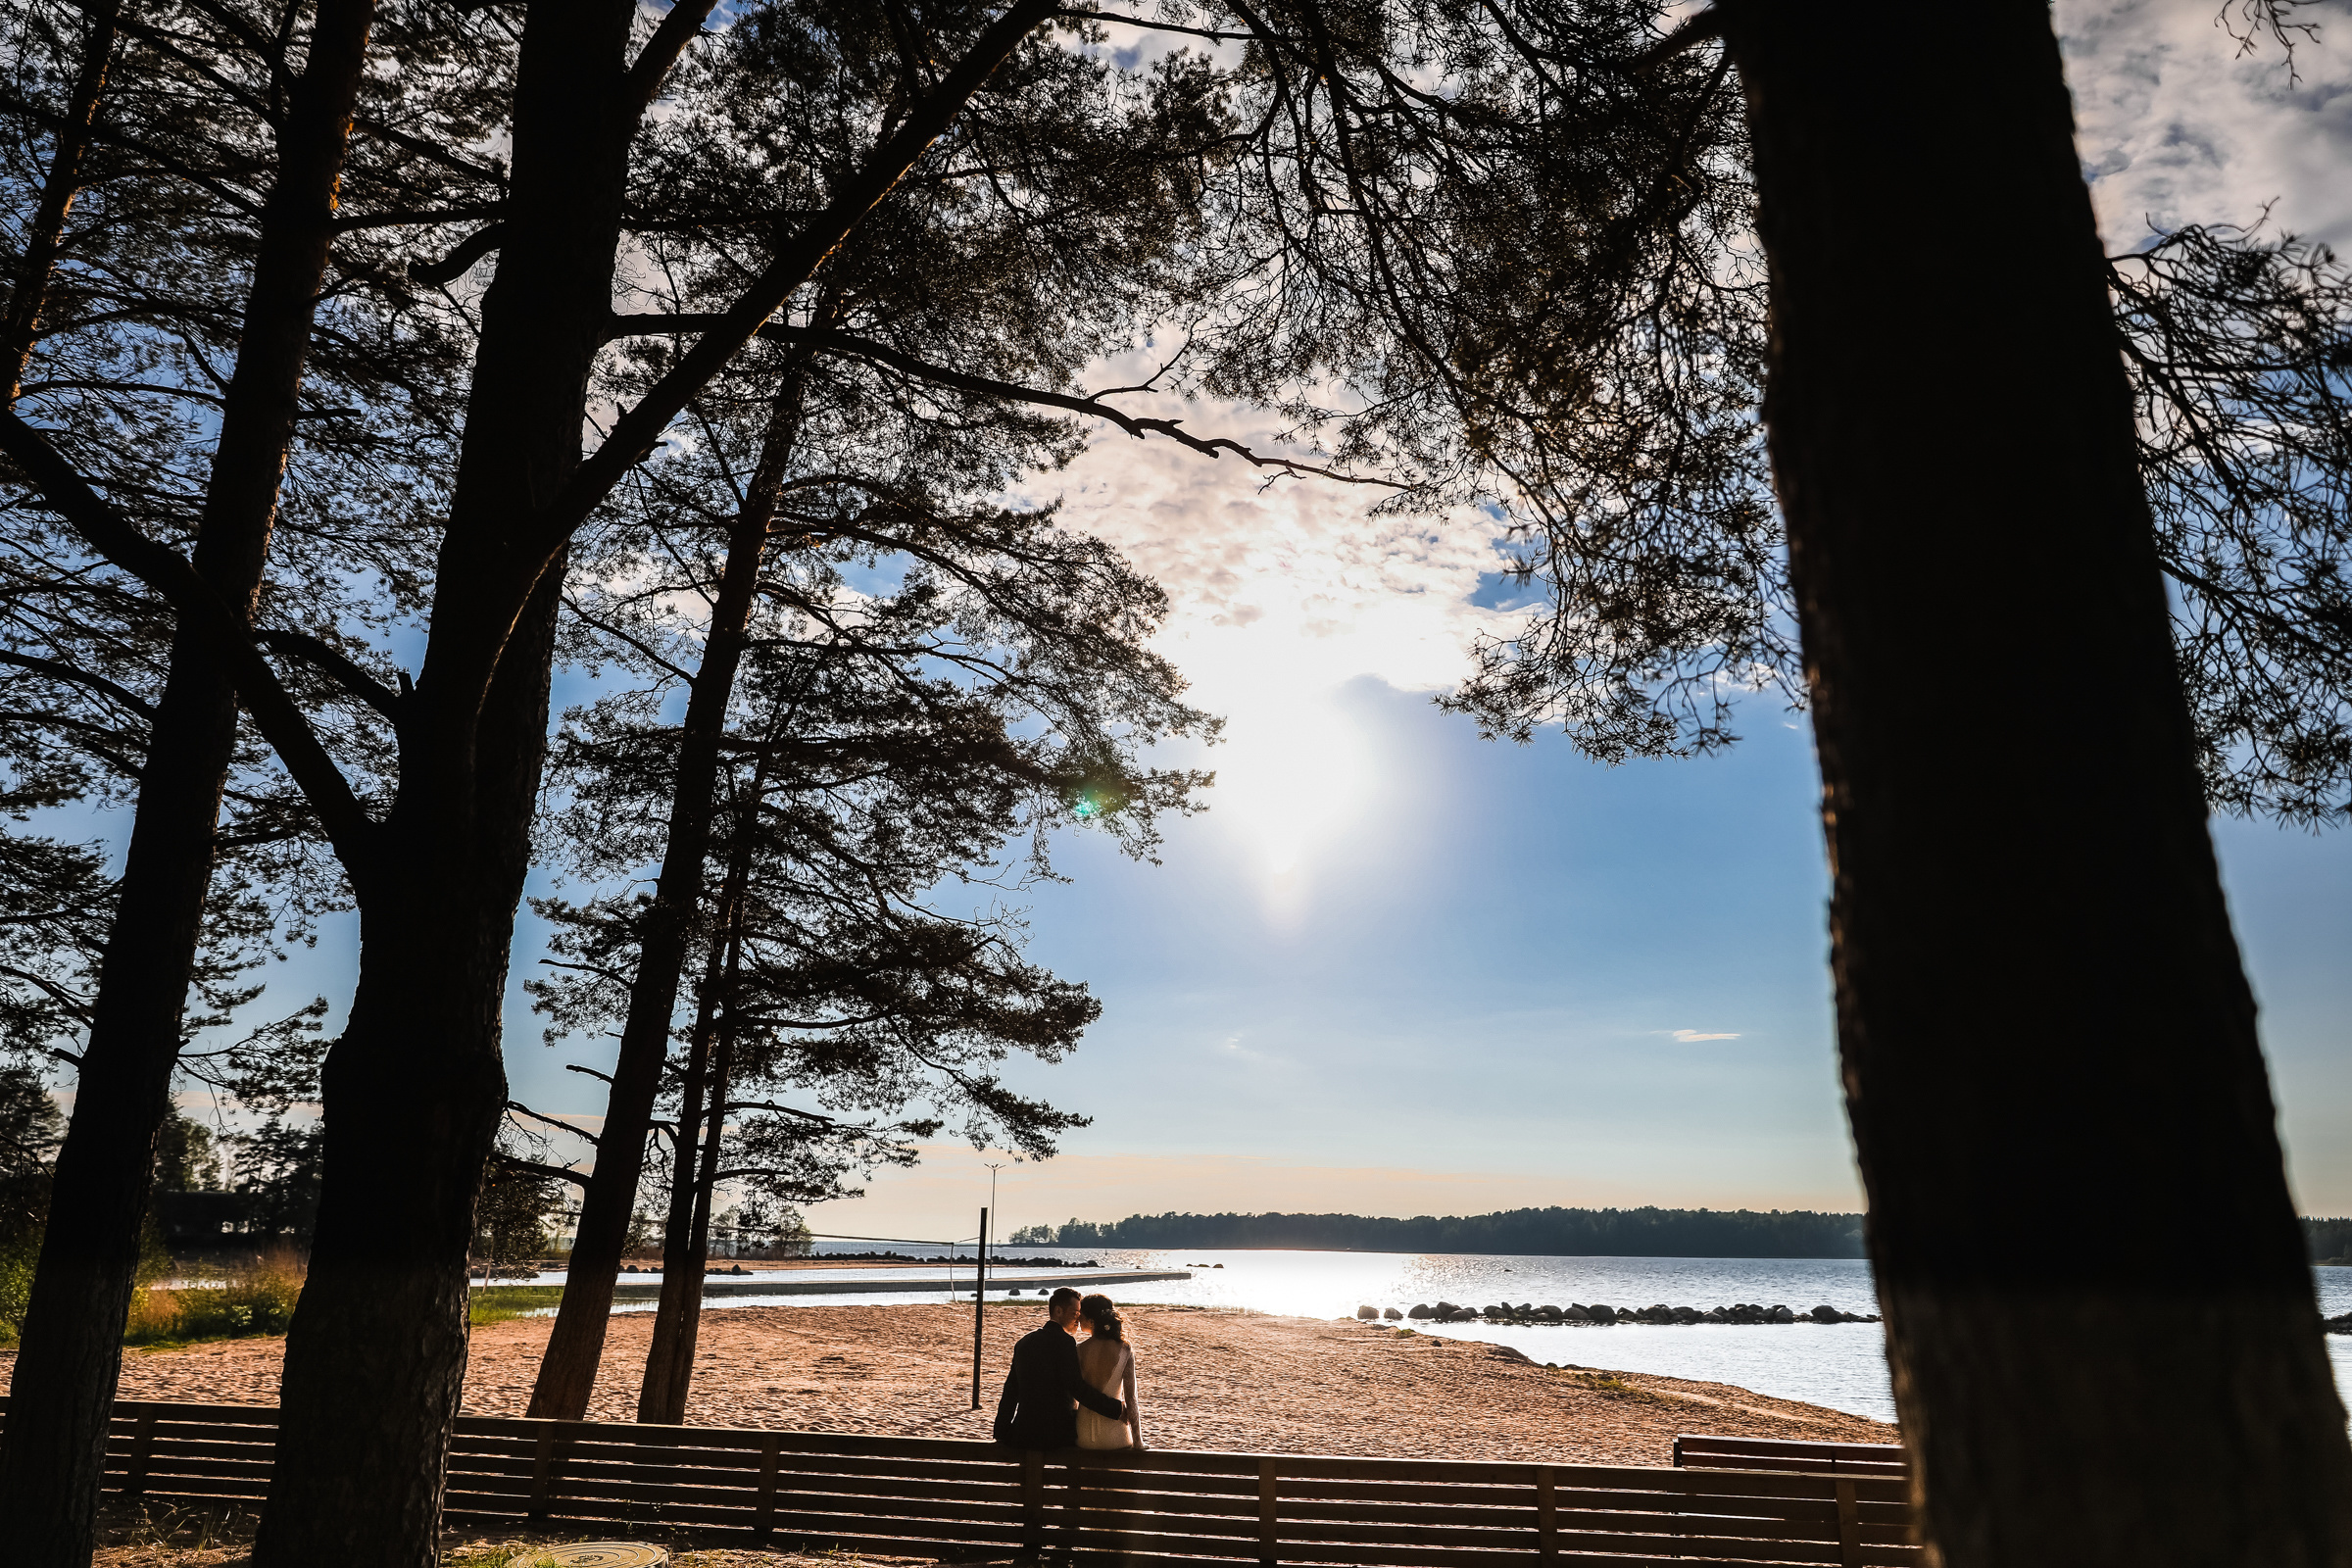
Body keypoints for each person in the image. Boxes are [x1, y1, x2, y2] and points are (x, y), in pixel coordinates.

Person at [994, 1286, 1128, 1449]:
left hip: (1024, 1433)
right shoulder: (1065, 1342)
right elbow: (1077, 1388)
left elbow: (1010, 1390)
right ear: (1058, 1311)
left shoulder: (1024, 1342)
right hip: (1057, 1435)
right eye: (1074, 1314)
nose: (1078, 1321)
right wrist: (1115, 1408)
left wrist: (1001, 1431)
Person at [1074, 1294, 1143, 1450]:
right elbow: (1131, 1399)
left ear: (1092, 1320)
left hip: (1084, 1433)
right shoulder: (1125, 1349)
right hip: (1115, 1434)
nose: (1078, 1320)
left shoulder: (1079, 1349)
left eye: (1081, 1315)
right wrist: (1138, 1441)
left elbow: (1076, 1393)